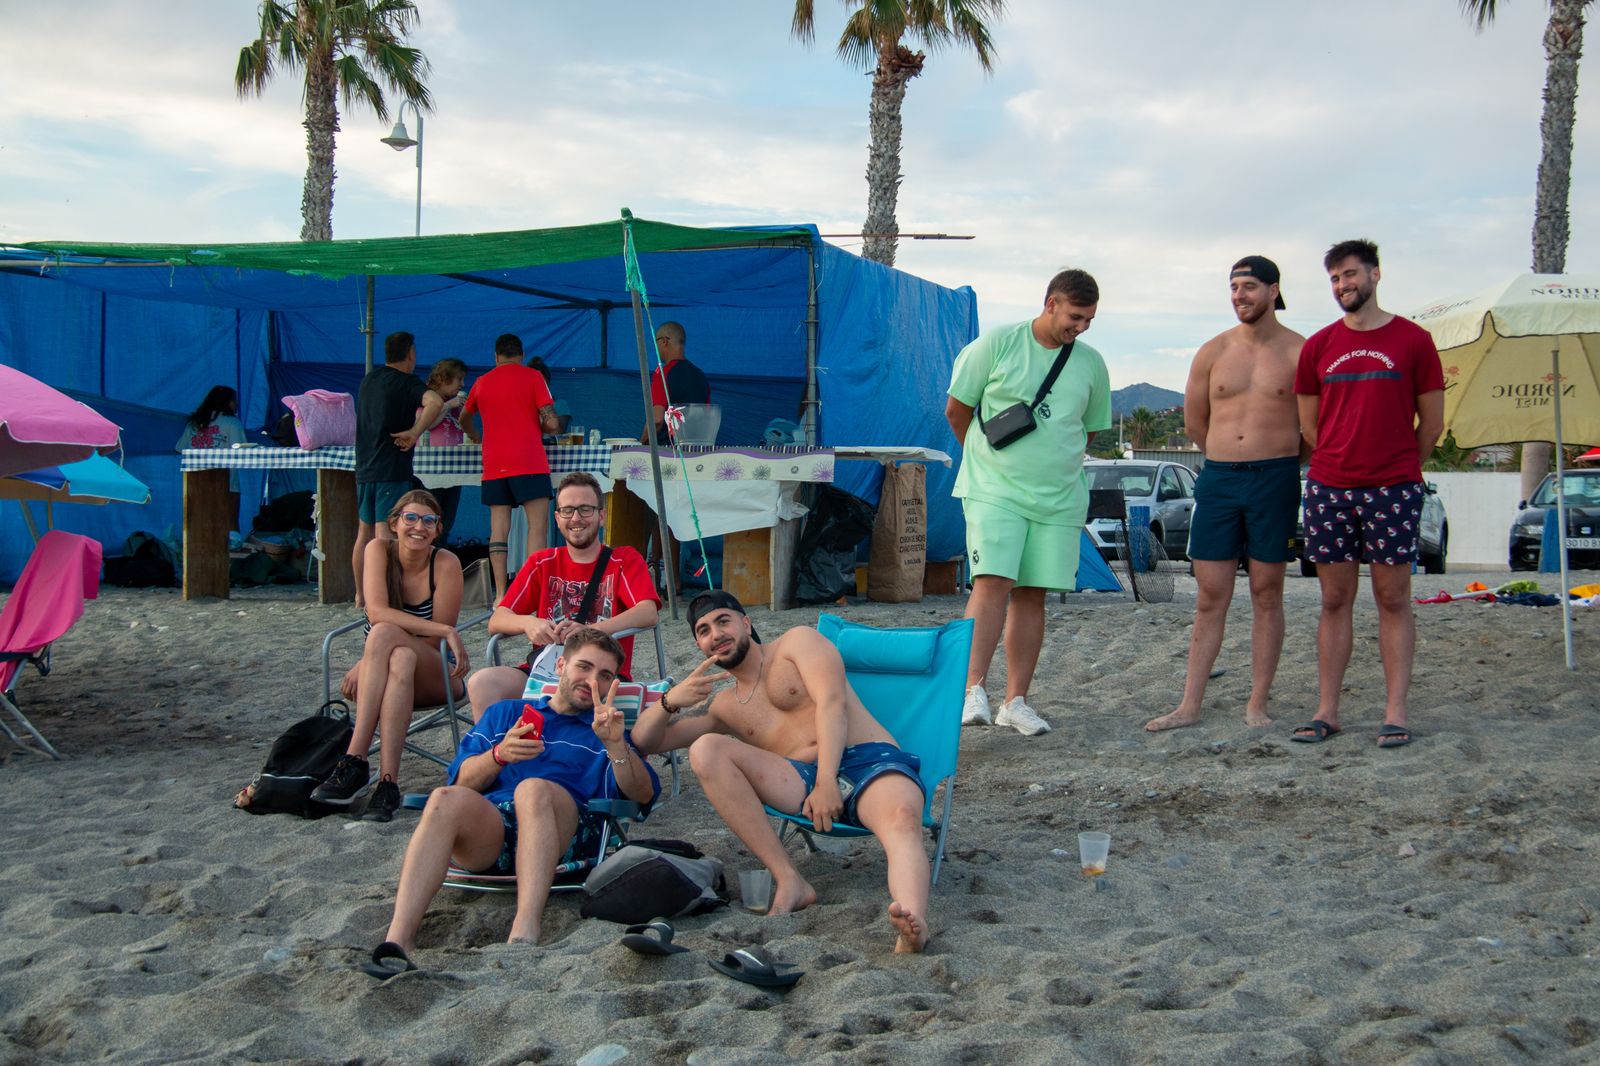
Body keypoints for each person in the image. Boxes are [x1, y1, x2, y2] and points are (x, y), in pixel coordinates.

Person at [630, 591, 932, 954]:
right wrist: (669, 701)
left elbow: (832, 703)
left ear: (746, 623)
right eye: (704, 630)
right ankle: (790, 880)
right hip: (799, 779)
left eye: (723, 621)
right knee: (705, 749)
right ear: (699, 646)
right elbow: (645, 741)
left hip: (867, 761)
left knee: (901, 818)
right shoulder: (725, 706)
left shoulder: (797, 643)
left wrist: (827, 782)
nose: (716, 634)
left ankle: (912, 924)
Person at [360, 628, 658, 975]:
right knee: (443, 798)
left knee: (533, 789)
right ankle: (398, 940)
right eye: (584, 667)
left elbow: (642, 796)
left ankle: (524, 931)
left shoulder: (605, 731)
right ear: (561, 665)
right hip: (494, 830)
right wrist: (498, 756)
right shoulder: (506, 714)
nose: (592, 681)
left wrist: (616, 745)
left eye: (604, 675)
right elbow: (461, 782)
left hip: (565, 830)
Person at [944, 269, 1112, 736]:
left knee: (1033, 592)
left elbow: (1088, 429)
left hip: (1059, 497)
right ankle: (971, 690)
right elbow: (957, 409)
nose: (1080, 327)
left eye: (1089, 320)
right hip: (994, 488)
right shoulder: (997, 343)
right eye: (1075, 316)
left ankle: (1015, 701)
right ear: (1051, 303)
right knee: (992, 581)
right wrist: (987, 461)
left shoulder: (1092, 363)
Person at [1291, 239, 1444, 749]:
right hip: (1330, 488)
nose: (1343, 285)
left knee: (1393, 598)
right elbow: (1310, 427)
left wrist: (1397, 466)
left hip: (1394, 488)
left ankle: (1395, 711)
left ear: (1375, 275)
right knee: (1334, 599)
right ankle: (1327, 710)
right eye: (1335, 278)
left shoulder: (1414, 340)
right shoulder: (1318, 346)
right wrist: (1343, 461)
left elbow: (1432, 424)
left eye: (1350, 275)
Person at [1146, 257, 1307, 733]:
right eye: (1234, 287)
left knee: (1267, 591)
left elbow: (1313, 429)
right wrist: (1226, 455)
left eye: (1249, 286)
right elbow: (1196, 423)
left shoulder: (1301, 351)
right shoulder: (1213, 351)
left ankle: (1257, 703)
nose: (1240, 295)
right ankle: (1190, 704)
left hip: (1275, 478)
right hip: (1219, 479)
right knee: (1210, 594)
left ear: (1273, 291)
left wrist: (1278, 459)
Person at [312, 489, 469, 822]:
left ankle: (354, 759)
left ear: (438, 530)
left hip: (438, 674)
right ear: (394, 523)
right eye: (410, 518)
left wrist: (372, 656)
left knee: (384, 636)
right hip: (388, 669)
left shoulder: (445, 563)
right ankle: (388, 784)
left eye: (429, 521)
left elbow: (431, 643)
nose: (419, 527)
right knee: (400, 659)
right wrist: (445, 629)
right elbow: (377, 611)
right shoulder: (378, 550)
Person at [466, 472, 661, 719]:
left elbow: (647, 612)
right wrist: (529, 623)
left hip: (600, 674)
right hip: (545, 673)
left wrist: (591, 631)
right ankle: (493, 746)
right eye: (567, 510)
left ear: (601, 516)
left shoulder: (623, 559)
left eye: (585, 509)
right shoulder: (542, 562)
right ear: (557, 519)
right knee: (482, 683)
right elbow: (497, 620)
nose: (576, 518)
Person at [460, 334, 562, 602]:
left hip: (495, 463)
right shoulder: (533, 377)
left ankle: (501, 595)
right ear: (522, 355)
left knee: (498, 530)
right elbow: (552, 423)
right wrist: (541, 424)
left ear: (496, 356)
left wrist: (474, 434)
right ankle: (532, 591)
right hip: (529, 460)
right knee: (537, 527)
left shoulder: (482, 382)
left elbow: (464, 417)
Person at [354, 332, 429, 608]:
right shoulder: (408, 382)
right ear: (411, 354)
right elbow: (433, 402)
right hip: (392, 467)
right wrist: (415, 432)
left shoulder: (369, 380)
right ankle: (382, 596)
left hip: (364, 467)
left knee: (364, 533)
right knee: (384, 535)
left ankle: (360, 594)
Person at [405, 358, 469, 540]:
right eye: (459, 379)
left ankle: (440, 552)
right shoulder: (428, 398)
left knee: (445, 522)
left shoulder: (454, 403)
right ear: (445, 378)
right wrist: (447, 405)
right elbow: (425, 425)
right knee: (429, 517)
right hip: (431, 471)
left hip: (454, 469)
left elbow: (463, 428)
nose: (462, 384)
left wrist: (466, 411)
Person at [175, 385, 247, 530]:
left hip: (195, 483)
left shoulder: (193, 424)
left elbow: (179, 448)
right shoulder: (232, 423)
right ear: (226, 402)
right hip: (226, 484)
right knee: (229, 527)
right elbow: (242, 452)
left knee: (198, 527)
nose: (237, 404)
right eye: (234, 400)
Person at [643, 321, 711, 445]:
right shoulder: (701, 375)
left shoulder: (663, 373)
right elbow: (706, 418)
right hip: (697, 449)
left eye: (655, 342)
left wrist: (641, 444)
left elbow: (656, 420)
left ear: (664, 341)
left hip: (668, 449)